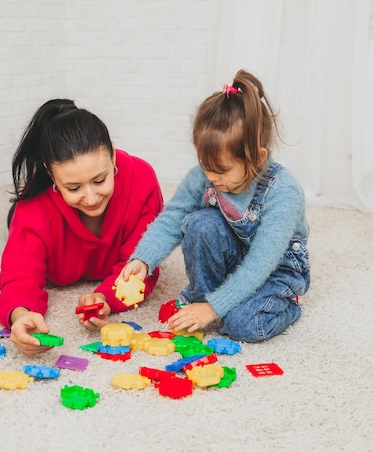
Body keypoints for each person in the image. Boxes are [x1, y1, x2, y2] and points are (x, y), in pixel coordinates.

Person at [118, 70, 310, 343]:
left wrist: (214, 309)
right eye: (206, 166)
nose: (211, 178)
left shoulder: (284, 192)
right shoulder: (206, 175)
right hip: (234, 258)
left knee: (243, 325)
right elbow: (173, 217)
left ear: (257, 157)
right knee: (199, 223)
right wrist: (143, 259)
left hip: (275, 269)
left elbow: (260, 263)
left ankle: (287, 304)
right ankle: (202, 298)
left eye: (221, 170)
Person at [0, 99, 163, 355]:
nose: (91, 197)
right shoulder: (35, 206)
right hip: (41, 217)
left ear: (113, 154)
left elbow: (144, 264)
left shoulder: (142, 181)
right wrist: (20, 317)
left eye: (100, 180)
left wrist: (105, 297)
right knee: (18, 221)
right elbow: (20, 278)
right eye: (73, 188)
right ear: (51, 175)